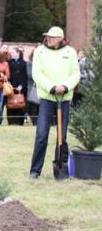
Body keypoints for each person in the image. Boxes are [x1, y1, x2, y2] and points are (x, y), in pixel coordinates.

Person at [29, 26, 80, 179]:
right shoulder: (39, 51)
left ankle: (61, 165)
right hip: (47, 97)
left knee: (62, 136)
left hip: (63, 98)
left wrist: (65, 86)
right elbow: (36, 73)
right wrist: (51, 87)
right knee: (42, 134)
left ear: (60, 39)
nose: (48, 39)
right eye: (48, 37)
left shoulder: (70, 52)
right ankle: (35, 170)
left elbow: (75, 73)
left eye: (52, 37)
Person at [7, 47, 28, 125]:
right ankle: (11, 121)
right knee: (11, 103)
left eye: (13, 53)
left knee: (20, 103)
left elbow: (25, 76)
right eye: (11, 53)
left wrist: (22, 85)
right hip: (11, 87)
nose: (11, 55)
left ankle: (20, 121)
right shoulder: (8, 62)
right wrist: (8, 84)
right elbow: (7, 74)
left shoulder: (24, 63)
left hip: (21, 87)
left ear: (18, 53)